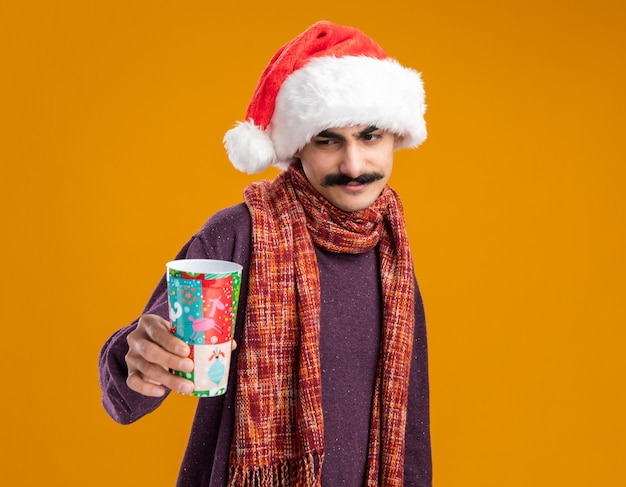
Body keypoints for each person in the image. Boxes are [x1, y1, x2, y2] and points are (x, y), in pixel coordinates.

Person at [99, 20, 432, 487]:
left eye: (370, 136)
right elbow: (130, 390)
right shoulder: (237, 235)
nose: (354, 165)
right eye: (328, 139)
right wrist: (137, 358)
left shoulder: (392, 253)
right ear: (297, 148)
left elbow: (411, 428)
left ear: (397, 136)